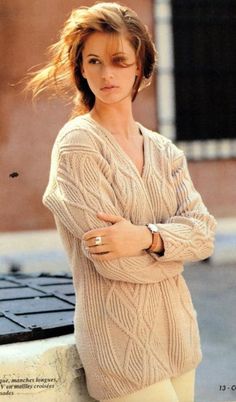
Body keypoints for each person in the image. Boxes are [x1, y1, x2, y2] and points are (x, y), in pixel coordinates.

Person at [26, 2, 217, 401]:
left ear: (140, 68)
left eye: (118, 60)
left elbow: (205, 235)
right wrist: (172, 248)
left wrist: (146, 237)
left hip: (180, 337)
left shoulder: (165, 150)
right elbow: (114, 261)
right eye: (93, 61)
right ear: (80, 68)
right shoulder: (78, 145)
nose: (106, 73)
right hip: (120, 343)